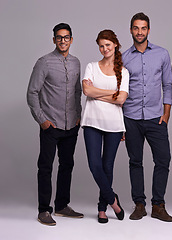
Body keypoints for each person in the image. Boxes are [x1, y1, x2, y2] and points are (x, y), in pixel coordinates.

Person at [27, 23, 83, 226]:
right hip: (51, 125)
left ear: (71, 39)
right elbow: (32, 92)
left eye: (66, 37)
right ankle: (44, 210)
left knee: (67, 165)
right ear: (54, 40)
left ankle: (61, 206)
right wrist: (42, 120)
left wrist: (78, 114)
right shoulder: (44, 62)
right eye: (59, 37)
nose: (63, 40)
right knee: (45, 167)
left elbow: (78, 91)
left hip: (71, 126)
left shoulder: (77, 63)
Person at [122, 12, 172, 222]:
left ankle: (158, 205)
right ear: (131, 30)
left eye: (143, 28)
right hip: (131, 117)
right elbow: (120, 90)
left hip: (155, 117)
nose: (140, 32)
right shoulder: (124, 57)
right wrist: (121, 122)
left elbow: (168, 85)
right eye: (136, 28)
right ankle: (139, 205)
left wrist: (167, 112)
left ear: (149, 30)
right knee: (135, 161)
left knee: (163, 159)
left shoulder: (162, 54)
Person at [81, 30, 129, 224]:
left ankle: (102, 209)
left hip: (114, 124)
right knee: (95, 165)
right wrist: (112, 93)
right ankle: (113, 200)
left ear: (115, 44)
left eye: (108, 44)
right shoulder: (91, 66)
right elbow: (86, 90)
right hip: (91, 120)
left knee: (107, 166)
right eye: (101, 45)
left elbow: (122, 99)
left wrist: (96, 92)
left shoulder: (123, 72)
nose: (104, 49)